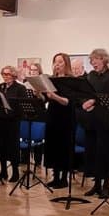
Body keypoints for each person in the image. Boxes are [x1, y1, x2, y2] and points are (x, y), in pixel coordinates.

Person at [80, 48, 109, 198]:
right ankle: (96, 184)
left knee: (104, 152)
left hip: (106, 118)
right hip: (91, 118)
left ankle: (106, 185)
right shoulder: (91, 75)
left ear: (104, 59)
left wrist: (93, 101)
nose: (93, 63)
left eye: (96, 59)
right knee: (93, 152)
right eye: (91, 60)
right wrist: (84, 102)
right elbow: (85, 92)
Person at [0, 65, 27, 182]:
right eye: (4, 74)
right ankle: (3, 171)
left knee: (11, 147)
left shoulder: (20, 88)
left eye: (8, 74)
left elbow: (21, 106)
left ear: (14, 75)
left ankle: (15, 172)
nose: (6, 77)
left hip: (12, 122)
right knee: (0, 146)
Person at [42, 53, 75, 188]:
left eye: (60, 62)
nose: (57, 65)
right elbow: (46, 99)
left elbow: (67, 101)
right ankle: (55, 176)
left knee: (63, 146)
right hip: (53, 115)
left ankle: (64, 178)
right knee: (53, 146)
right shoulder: (51, 79)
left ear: (66, 64)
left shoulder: (71, 80)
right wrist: (39, 92)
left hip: (65, 117)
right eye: (55, 62)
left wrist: (54, 96)